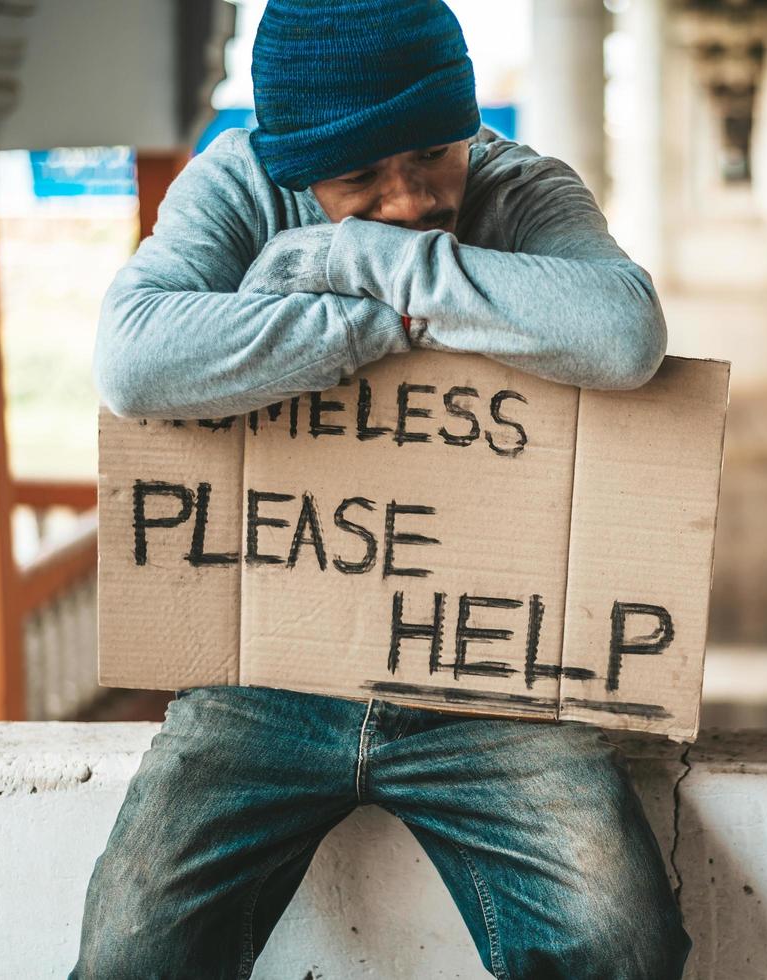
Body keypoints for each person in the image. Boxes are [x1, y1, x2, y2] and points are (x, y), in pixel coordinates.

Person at [70, 1, 690, 977]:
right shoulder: (236, 183)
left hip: (490, 671)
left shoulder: (519, 187)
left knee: (618, 936)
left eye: (432, 154)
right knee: (131, 948)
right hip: (263, 670)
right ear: (291, 158)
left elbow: (623, 334)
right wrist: (383, 326)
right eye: (359, 176)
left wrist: (363, 260)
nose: (408, 200)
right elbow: (134, 360)